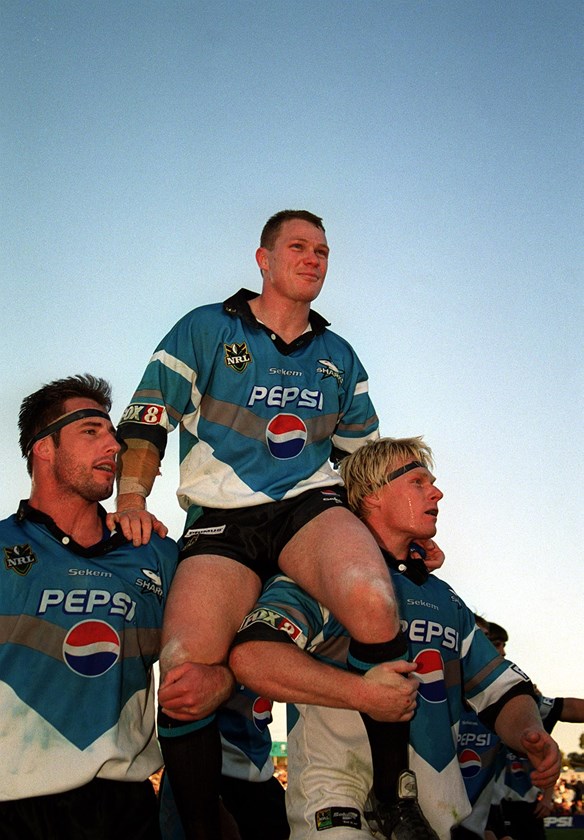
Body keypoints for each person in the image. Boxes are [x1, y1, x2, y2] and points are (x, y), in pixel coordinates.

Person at [110, 211, 432, 837]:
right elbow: (148, 418)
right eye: (298, 247)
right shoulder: (207, 327)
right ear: (263, 259)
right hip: (221, 521)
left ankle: (395, 797)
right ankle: (203, 827)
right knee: (182, 672)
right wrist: (130, 496)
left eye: (323, 251)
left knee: (371, 598)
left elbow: (362, 465)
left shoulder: (340, 356)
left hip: (307, 509)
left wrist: (410, 536)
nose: (313, 259)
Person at [228, 437, 562, 840]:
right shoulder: (321, 577)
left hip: (434, 812)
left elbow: (501, 692)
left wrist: (531, 733)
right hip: (337, 800)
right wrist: (361, 693)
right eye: (418, 481)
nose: (436, 491)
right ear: (370, 494)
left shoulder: (444, 597)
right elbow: (254, 657)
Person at [0, 374, 178, 839]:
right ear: (44, 448)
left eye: (113, 435)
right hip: (16, 808)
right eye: (91, 431)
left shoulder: (155, 551)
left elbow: (206, 649)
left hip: (126, 807)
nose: (114, 445)